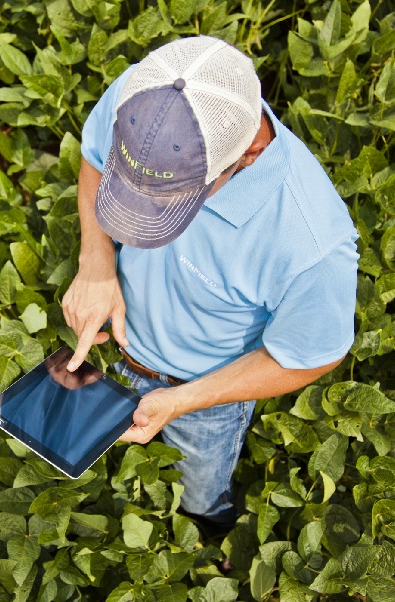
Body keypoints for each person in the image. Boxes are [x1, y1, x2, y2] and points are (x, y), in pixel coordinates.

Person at [60, 36, 359, 530]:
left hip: (201, 395)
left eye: (166, 201)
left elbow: (311, 355)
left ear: (247, 152)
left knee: (199, 494)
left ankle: (209, 530)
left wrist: (184, 401)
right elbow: (95, 157)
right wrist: (97, 264)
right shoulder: (149, 97)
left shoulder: (309, 243)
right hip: (116, 348)